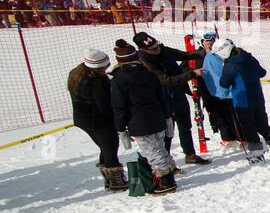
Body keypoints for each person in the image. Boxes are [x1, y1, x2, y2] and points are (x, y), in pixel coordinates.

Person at [110, 39, 179, 195]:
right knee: (159, 149)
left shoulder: (118, 80)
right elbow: (162, 97)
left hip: (138, 124)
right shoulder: (149, 74)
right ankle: (167, 176)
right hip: (158, 118)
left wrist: (121, 129)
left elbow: (119, 108)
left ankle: (165, 183)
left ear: (119, 60)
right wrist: (167, 117)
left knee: (154, 154)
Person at [132, 31, 210, 166]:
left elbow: (184, 55)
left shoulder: (162, 49)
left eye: (157, 45)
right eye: (153, 49)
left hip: (178, 93)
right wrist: (192, 73)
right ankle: (166, 162)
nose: (157, 50)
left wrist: (203, 51)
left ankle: (190, 154)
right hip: (163, 98)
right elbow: (166, 80)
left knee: (185, 125)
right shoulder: (144, 61)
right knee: (168, 131)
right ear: (142, 49)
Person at [68, 49, 126, 191]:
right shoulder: (97, 82)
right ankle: (116, 180)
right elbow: (105, 106)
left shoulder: (76, 73)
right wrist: (118, 122)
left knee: (104, 147)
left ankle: (108, 177)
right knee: (110, 148)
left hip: (83, 119)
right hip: (99, 120)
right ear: (99, 67)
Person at [214, 39, 270, 160]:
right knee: (262, 123)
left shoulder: (230, 65)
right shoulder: (249, 57)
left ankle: (256, 154)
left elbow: (224, 84)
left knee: (249, 128)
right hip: (258, 98)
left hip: (242, 102)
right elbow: (262, 73)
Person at [199, 32, 238, 145]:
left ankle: (239, 138)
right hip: (210, 93)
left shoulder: (221, 53)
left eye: (212, 40)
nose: (210, 42)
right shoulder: (197, 55)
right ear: (202, 42)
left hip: (226, 91)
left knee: (232, 116)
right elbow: (185, 69)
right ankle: (227, 139)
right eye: (207, 40)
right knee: (219, 117)